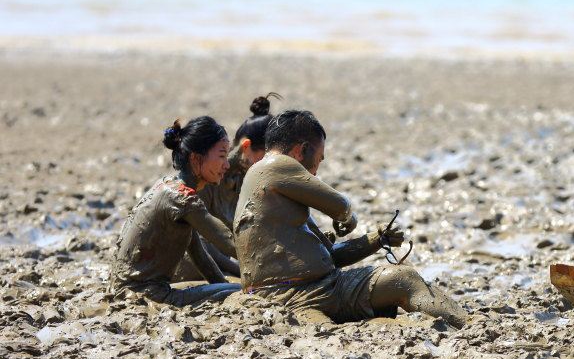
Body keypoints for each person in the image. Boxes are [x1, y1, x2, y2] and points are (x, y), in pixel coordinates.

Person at [234, 109, 467, 327]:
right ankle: (467, 322)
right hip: (304, 294)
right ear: (301, 150)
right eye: (319, 159)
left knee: (386, 303)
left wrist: (377, 239)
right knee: (404, 277)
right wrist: (349, 218)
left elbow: (330, 257)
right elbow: (340, 205)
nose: (315, 171)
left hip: (296, 293)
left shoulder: (279, 199)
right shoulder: (276, 164)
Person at [109, 117, 242, 306]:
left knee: (233, 288)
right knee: (241, 291)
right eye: (222, 156)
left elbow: (200, 255)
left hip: (125, 291)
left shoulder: (168, 185)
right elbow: (229, 242)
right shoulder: (182, 199)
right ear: (195, 158)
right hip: (146, 295)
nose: (227, 165)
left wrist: (222, 284)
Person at [172, 93, 283, 281]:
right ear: (246, 148)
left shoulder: (248, 178)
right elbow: (199, 245)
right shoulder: (209, 177)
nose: (272, 166)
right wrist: (242, 268)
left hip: (221, 261)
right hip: (188, 264)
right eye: (267, 158)